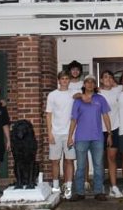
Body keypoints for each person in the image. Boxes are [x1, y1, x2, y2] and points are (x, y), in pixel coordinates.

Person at [68, 75, 112, 201]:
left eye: (92, 82)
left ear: (95, 85)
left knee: (98, 166)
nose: (90, 84)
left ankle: (98, 191)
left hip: (97, 137)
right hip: (81, 138)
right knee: (81, 166)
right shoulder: (78, 100)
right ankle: (79, 192)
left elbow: (106, 116)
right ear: (84, 85)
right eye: (87, 82)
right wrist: (70, 136)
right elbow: (74, 120)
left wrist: (110, 134)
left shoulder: (100, 98)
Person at [46, 71, 77, 199]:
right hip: (56, 133)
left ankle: (68, 188)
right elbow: (48, 114)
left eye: (67, 78)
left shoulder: (74, 94)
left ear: (69, 80)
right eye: (62, 78)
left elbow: (87, 94)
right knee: (55, 161)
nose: (64, 80)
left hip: (70, 133)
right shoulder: (52, 95)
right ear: (59, 80)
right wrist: (49, 133)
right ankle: (55, 187)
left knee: (69, 160)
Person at [97, 70, 123, 198]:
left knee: (112, 158)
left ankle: (114, 187)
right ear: (101, 80)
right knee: (99, 160)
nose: (108, 79)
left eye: (110, 77)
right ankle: (100, 186)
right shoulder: (97, 92)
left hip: (114, 128)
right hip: (98, 130)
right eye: (105, 77)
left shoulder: (117, 90)